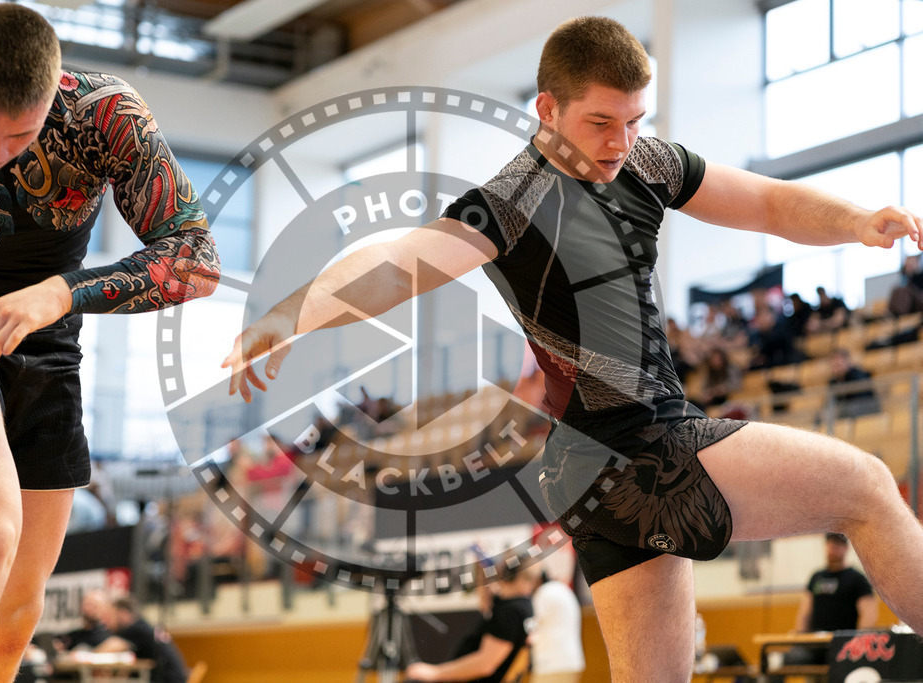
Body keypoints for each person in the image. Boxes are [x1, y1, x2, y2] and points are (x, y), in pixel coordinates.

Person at [224, 15, 923, 682]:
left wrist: (856, 220)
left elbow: (766, 204)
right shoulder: (510, 201)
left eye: (634, 121)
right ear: (547, 109)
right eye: (600, 122)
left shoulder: (646, 163)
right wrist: (288, 314)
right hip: (640, 447)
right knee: (864, 484)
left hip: (594, 474)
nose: (620, 142)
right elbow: (396, 263)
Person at [0, 4, 220, 681]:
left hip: (49, 343)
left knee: (17, 613)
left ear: (54, 99)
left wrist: (63, 291)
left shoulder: (106, 116)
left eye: (20, 135)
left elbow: (196, 258)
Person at [404, 563, 537, 682]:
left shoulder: (510, 611)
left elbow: (485, 664)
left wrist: (435, 673)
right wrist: (484, 568)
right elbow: (487, 600)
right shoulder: (518, 606)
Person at [770, 533, 876, 679]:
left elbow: (868, 614)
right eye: (831, 545)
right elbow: (805, 612)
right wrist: (799, 636)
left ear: (846, 548)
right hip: (814, 645)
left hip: (842, 646)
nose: (833, 549)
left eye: (838, 546)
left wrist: (856, 643)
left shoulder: (856, 579)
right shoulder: (817, 577)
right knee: (775, 663)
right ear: (826, 546)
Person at [92, 596, 189, 683]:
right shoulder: (143, 627)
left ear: (123, 614)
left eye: (110, 616)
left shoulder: (136, 629)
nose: (106, 623)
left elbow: (111, 646)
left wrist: (87, 655)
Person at [529, 571, 584, 683]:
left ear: (536, 580)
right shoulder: (562, 588)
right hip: (571, 661)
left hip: (552, 664)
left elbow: (531, 627)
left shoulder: (543, 593)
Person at [53, 589, 114, 653]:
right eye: (87, 604)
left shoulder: (110, 634)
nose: (89, 609)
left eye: (94, 605)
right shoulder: (74, 636)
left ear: (103, 608)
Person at [827, 348, 881, 419]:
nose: (837, 369)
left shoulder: (858, 375)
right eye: (834, 366)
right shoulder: (833, 382)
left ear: (847, 362)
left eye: (839, 365)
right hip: (848, 411)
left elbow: (862, 399)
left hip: (866, 408)